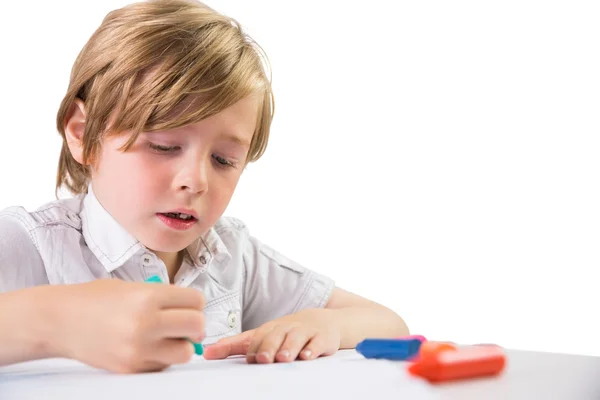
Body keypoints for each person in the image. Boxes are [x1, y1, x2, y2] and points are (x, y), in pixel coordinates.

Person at [0, 0, 409, 374]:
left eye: (224, 161)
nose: (195, 181)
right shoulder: (27, 245)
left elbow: (388, 324)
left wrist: (323, 323)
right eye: (163, 146)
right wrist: (53, 322)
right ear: (81, 133)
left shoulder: (232, 258)